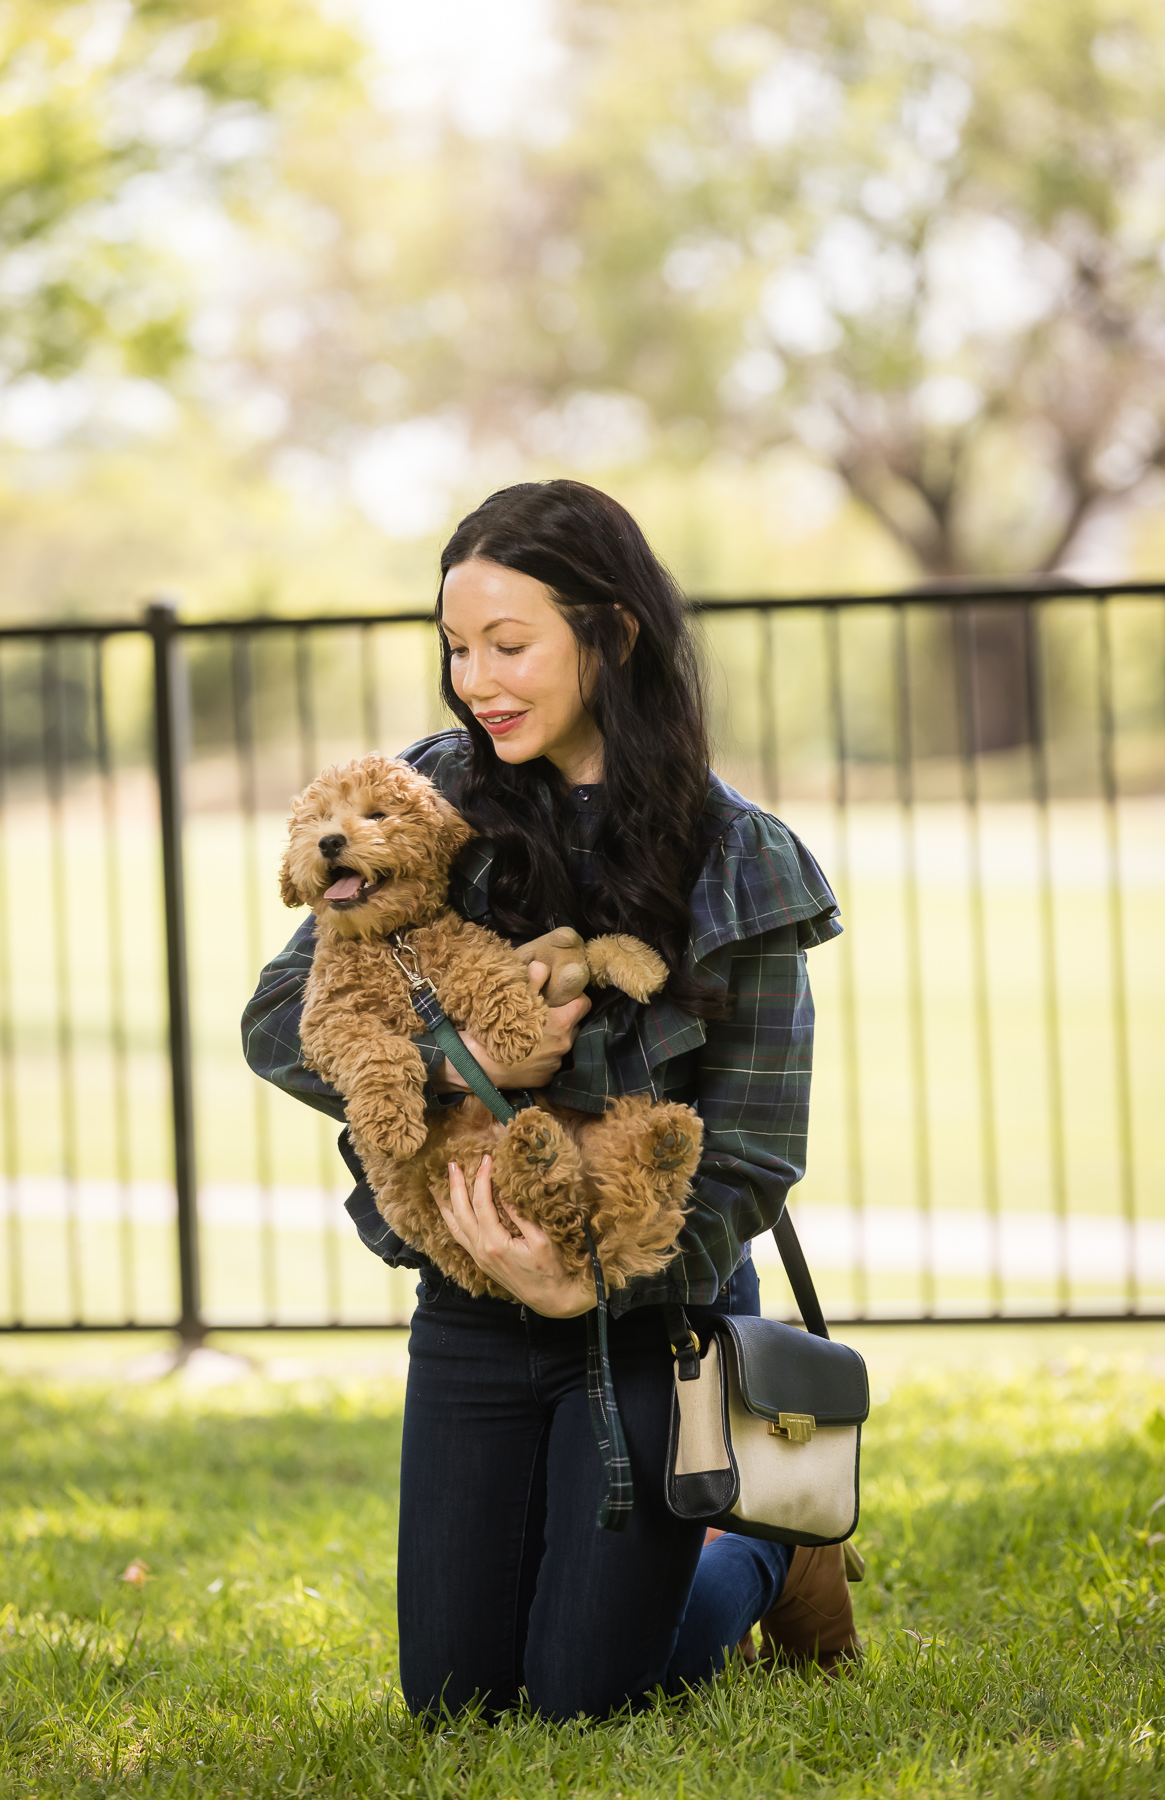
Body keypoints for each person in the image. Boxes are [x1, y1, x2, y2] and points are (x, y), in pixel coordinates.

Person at [242, 479, 859, 1720]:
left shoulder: (739, 856)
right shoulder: (418, 801)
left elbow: (750, 1156)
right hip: (469, 1310)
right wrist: (458, 1058)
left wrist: (588, 1284)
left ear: (613, 634)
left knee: (585, 1695)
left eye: (509, 645)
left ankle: (764, 1552)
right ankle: (704, 1556)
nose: (477, 679)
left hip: (649, 1317)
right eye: (458, 648)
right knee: (459, 1707)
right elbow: (275, 1028)